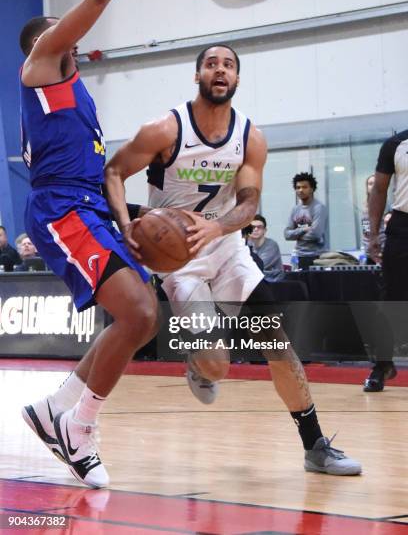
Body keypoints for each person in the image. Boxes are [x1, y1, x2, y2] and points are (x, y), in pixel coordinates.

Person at [105, 45, 361, 476]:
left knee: (276, 344)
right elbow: (112, 172)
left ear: (237, 80)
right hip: (178, 261)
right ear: (197, 76)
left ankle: (315, 444)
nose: (219, 70)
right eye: (211, 64)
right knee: (217, 366)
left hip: (227, 250)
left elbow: (248, 203)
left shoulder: (249, 137)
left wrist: (218, 228)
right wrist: (128, 223)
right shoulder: (165, 129)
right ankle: (199, 365)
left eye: (228, 65)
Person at [19, 0, 157, 489]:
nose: (71, 33)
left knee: (140, 318)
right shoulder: (40, 68)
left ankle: (61, 407)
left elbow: (101, 171)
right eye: (60, 29)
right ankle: (77, 426)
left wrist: (126, 220)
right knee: (140, 314)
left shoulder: (80, 95)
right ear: (42, 43)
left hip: (88, 208)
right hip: (60, 210)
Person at [365, 132, 408, 391]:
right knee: (391, 301)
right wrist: (373, 233)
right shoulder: (396, 144)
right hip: (403, 226)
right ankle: (382, 365)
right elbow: (379, 188)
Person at [284, 173, 328, 270]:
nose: (300, 190)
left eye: (304, 187)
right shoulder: (295, 209)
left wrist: (296, 235)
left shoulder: (319, 208)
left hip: (317, 257)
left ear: (312, 189)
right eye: (298, 187)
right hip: (300, 256)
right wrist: (304, 229)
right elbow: (287, 234)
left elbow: (316, 234)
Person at [247, 214, 284, 281]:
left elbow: (259, 266)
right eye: (252, 227)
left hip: (273, 284)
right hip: (255, 282)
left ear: (265, 230)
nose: (255, 229)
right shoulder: (245, 245)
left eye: (259, 227)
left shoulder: (272, 245)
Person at [361, 174, 386, 263]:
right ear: (367, 188)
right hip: (372, 254)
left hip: (387, 251)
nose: (372, 186)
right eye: (370, 184)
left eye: (375, 183)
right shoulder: (366, 210)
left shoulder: (387, 205)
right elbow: (367, 233)